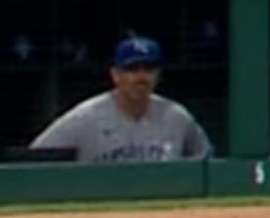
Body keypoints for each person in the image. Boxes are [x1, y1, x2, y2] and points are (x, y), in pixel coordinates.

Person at [28, 36, 213, 162]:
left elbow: (206, 161)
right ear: (115, 75)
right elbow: (36, 159)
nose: (141, 77)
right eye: (132, 69)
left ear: (158, 75)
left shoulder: (176, 117)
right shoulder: (84, 118)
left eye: (148, 69)